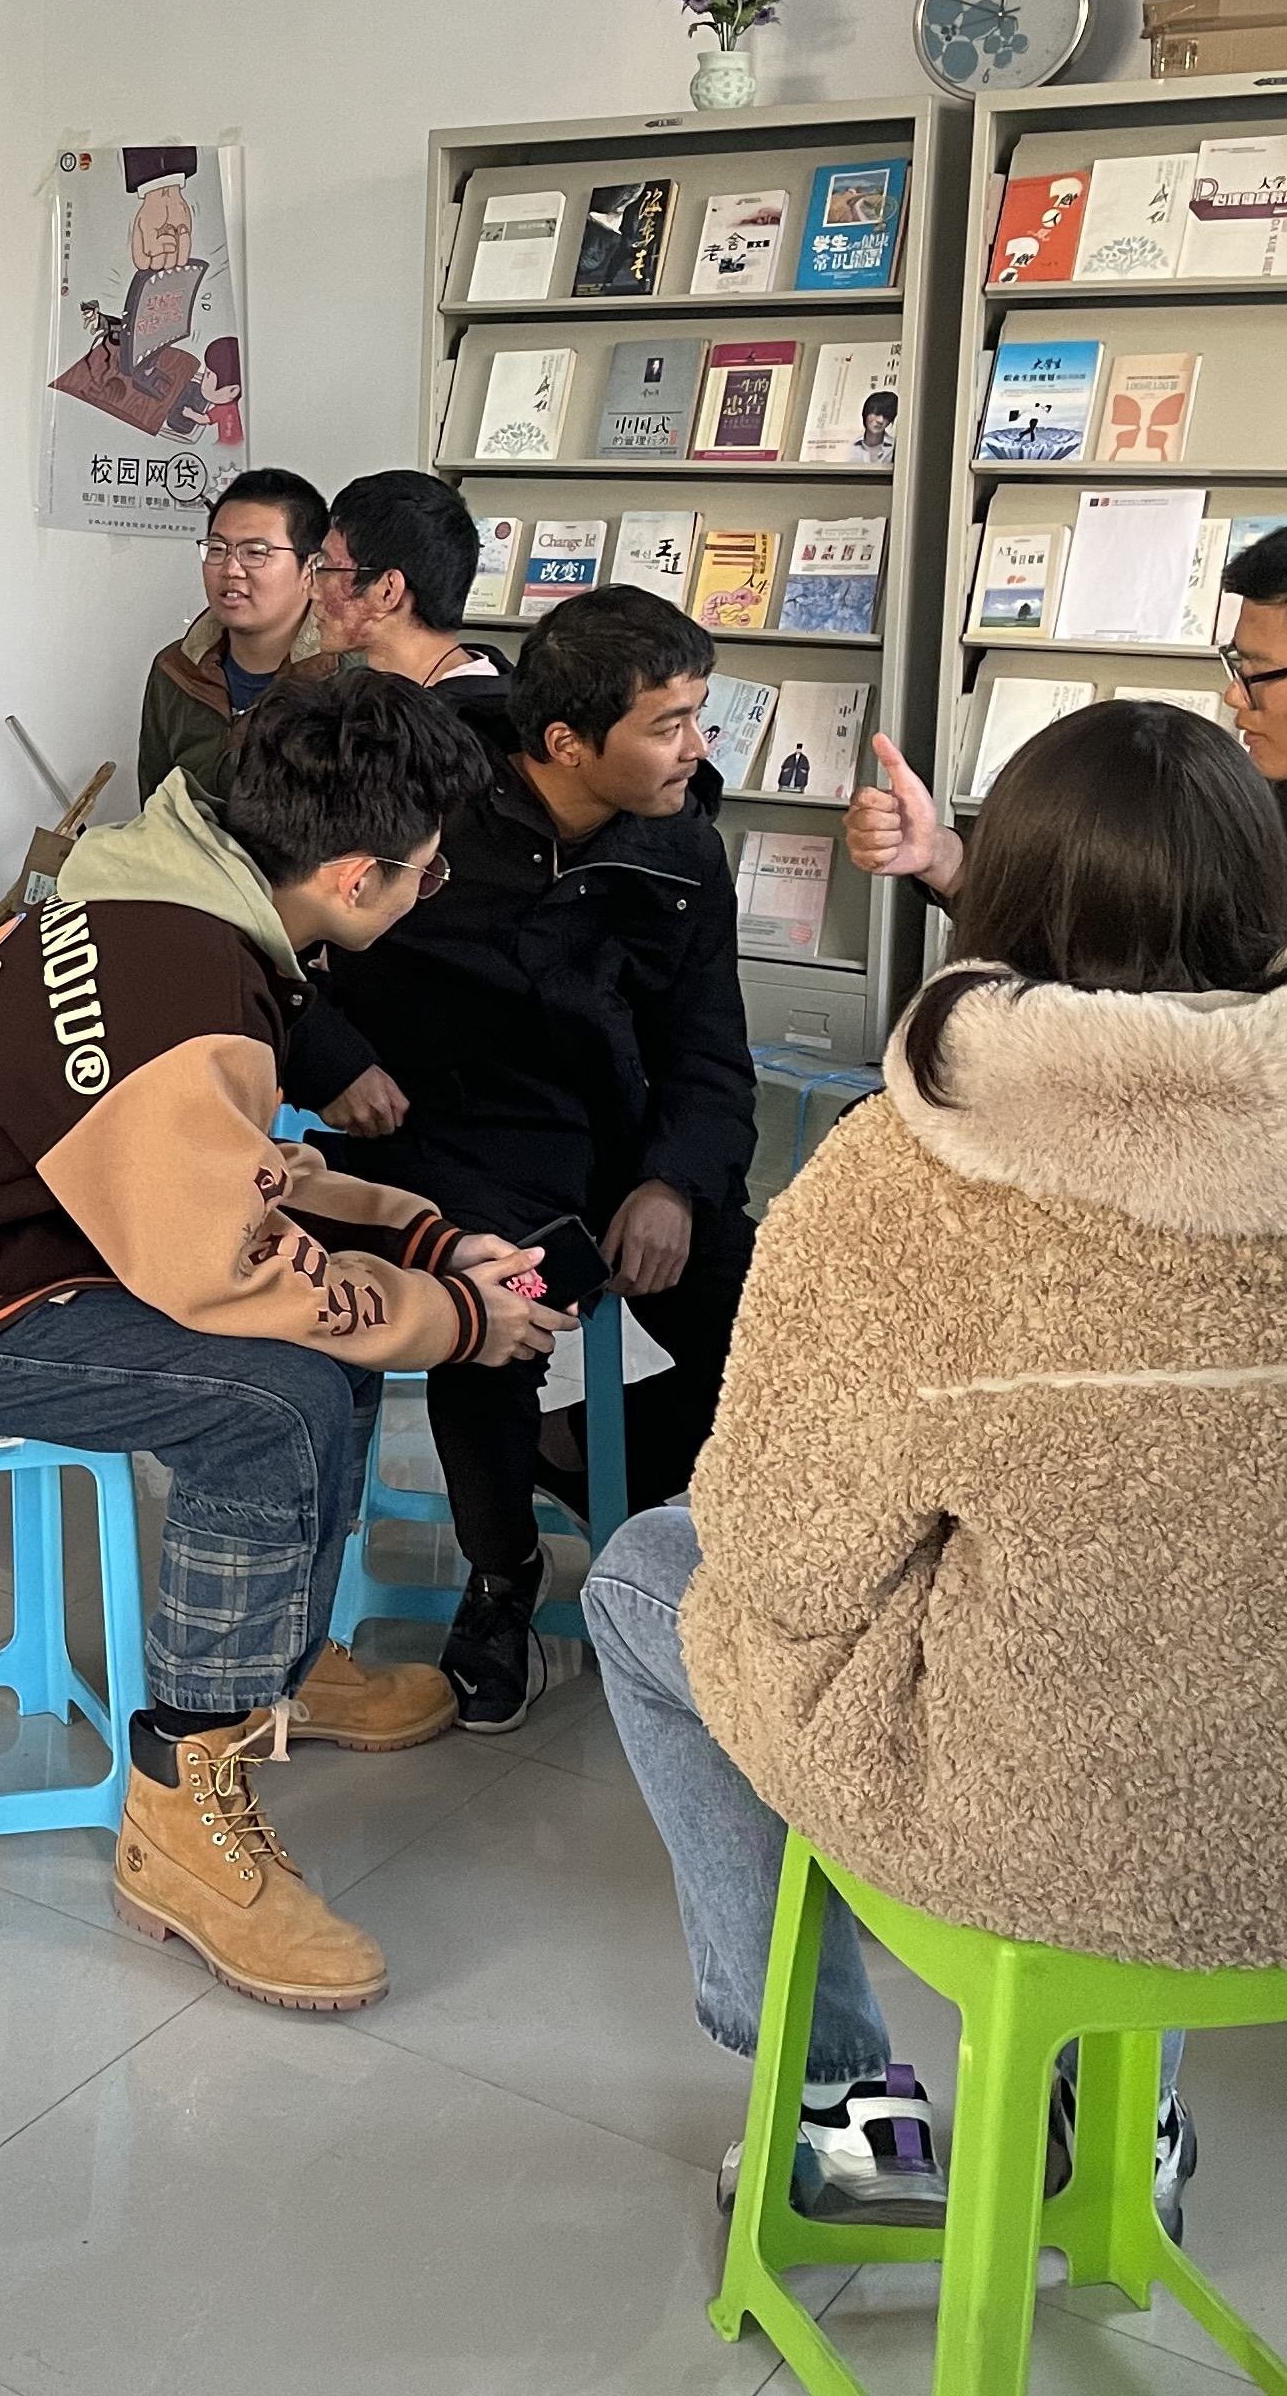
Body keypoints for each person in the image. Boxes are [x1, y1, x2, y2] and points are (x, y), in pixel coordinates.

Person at [584, 700, 1287, 2230]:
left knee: (653, 1574)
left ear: (1004, 889)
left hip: (1055, 1819)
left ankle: (845, 2120)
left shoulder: (913, 1165)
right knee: (1203, 1610)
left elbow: (784, 1554)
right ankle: (1122, 2118)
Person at [0, 675, 566, 2015]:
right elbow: (229, 1262)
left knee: (330, 1350)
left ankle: (281, 1670)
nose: (429, 894)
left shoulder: (171, 892)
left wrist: (422, 1242)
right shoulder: (186, 983)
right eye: (426, 874)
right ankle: (181, 1808)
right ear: (356, 875)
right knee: (270, 1399)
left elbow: (220, 1169)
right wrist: (462, 1321)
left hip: (1, 1239)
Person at [315, 584, 756, 1734]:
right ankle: (503, 1574)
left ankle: (617, 1488)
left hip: (621, 1150)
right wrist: (335, 1059)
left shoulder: (682, 851)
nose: (697, 748)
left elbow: (710, 1053)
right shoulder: (422, 803)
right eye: (670, 724)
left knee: (771, 1313)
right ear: (566, 743)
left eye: (698, 715)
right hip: (453, 1143)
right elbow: (279, 936)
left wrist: (673, 1181)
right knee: (496, 1297)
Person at [845, 507, 1287, 936]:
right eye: (1236, 664)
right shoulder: (1252, 795)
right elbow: (1112, 929)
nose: (1235, 694)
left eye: (1259, 671)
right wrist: (942, 856)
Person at [136, 467, 333, 809]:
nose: (230, 569)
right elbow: (155, 811)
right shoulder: (175, 670)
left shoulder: (344, 681)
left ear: (310, 569)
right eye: (217, 549)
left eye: (255, 552)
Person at [308, 469, 507, 693]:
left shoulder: (470, 711)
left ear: (388, 591)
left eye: (326, 567)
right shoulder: (377, 694)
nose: (312, 590)